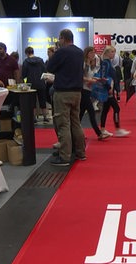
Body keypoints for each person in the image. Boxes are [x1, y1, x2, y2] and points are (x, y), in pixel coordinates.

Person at [47, 29, 86, 166]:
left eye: (59, 38)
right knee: (76, 123)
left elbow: (50, 67)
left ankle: (64, 157)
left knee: (63, 125)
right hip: (77, 92)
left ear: (63, 38)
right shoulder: (80, 52)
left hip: (63, 92)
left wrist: (55, 54)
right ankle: (81, 152)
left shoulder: (62, 52)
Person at [99, 45, 131, 137]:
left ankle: (103, 129)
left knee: (105, 110)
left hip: (110, 89)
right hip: (108, 90)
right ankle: (117, 129)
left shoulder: (108, 62)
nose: (114, 54)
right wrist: (108, 88)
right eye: (112, 52)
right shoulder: (105, 63)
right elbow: (103, 76)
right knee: (116, 108)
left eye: (114, 52)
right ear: (107, 53)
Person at [81, 46, 110, 140]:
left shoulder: (91, 63)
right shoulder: (84, 64)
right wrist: (90, 80)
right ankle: (99, 134)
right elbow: (81, 77)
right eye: (91, 53)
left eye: (94, 52)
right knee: (91, 112)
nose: (93, 54)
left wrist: (97, 80)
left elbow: (90, 76)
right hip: (83, 89)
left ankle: (77, 133)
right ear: (87, 53)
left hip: (88, 89)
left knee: (80, 114)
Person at [22, 46, 48, 122]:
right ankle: (45, 117)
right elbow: (44, 71)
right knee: (42, 100)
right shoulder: (40, 60)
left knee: (32, 102)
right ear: (33, 52)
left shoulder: (26, 62)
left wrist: (25, 82)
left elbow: (24, 74)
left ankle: (34, 118)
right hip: (41, 83)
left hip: (31, 84)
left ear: (26, 53)